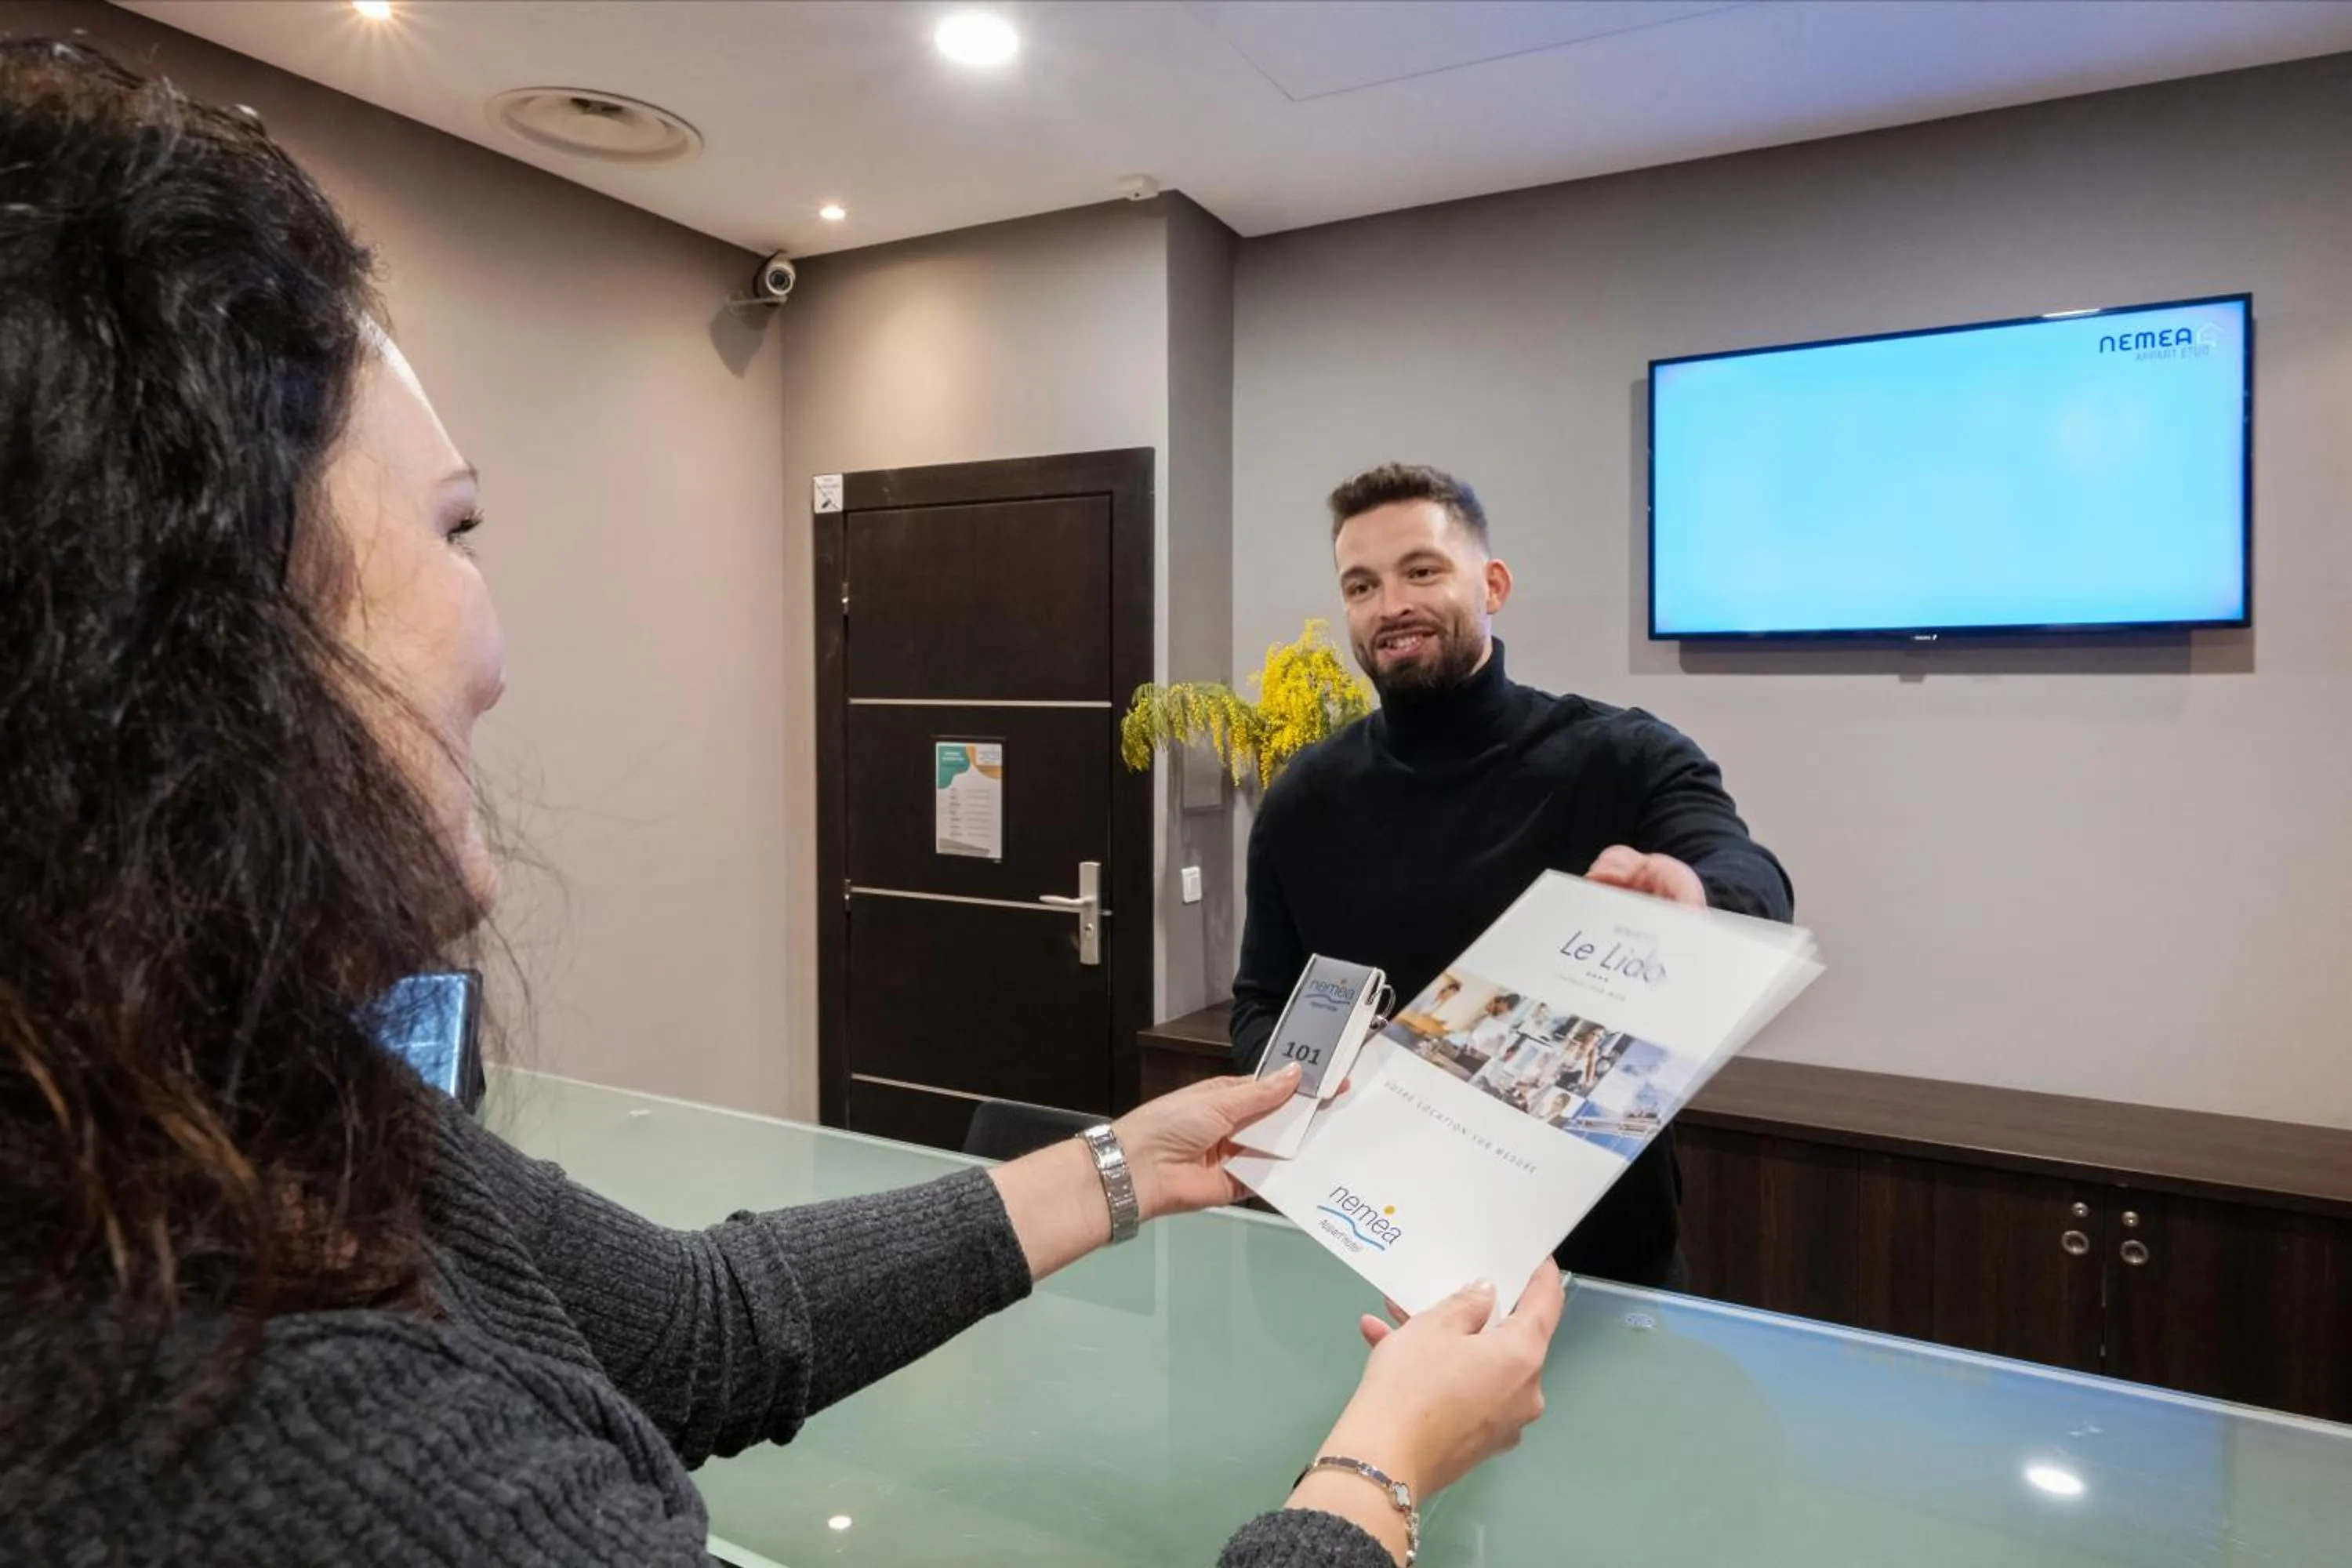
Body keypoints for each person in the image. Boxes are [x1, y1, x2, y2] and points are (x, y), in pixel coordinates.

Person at [0, 43, 1561, 1568]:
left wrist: (1127, 1162)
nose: (496, 643)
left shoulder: (268, 1120)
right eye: (455, 526)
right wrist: (1378, 1467)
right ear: (196, 633)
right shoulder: (300, 1454)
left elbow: (701, 1324)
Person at [1232, 463, 1793, 1290]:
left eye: (1422, 570)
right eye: (1362, 585)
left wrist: (1696, 894)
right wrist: (1309, 1099)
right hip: (1365, 1248)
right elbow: (1262, 1003)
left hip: (1594, 1268)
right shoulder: (1303, 798)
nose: (1392, 606)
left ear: (1491, 583)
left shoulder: (1622, 755)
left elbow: (1749, 876)